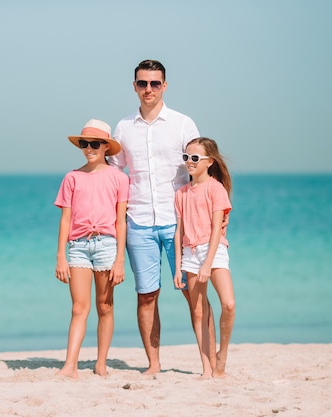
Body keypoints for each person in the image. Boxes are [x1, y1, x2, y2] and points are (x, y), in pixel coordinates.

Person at [107, 59, 216, 374]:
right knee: (146, 295)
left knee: (193, 294)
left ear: (164, 86)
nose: (148, 89)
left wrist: (215, 215)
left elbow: (201, 168)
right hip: (138, 222)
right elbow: (115, 172)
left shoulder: (183, 124)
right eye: (143, 83)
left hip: (179, 222)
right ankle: (153, 365)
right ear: (134, 86)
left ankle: (208, 365)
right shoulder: (124, 127)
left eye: (155, 83)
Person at [54, 119, 130, 378]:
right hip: (78, 247)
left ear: (106, 147)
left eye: (94, 143)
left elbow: (121, 221)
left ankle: (100, 363)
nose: (89, 148)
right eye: (84, 144)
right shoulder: (71, 178)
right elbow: (65, 219)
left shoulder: (120, 179)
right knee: (78, 307)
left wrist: (120, 260)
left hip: (107, 246)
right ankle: (70, 365)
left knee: (105, 306)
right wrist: (60, 257)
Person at [173, 137, 236, 378]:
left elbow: (215, 229)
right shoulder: (181, 193)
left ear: (209, 162)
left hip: (213, 250)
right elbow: (179, 231)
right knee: (198, 312)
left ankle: (223, 355)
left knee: (228, 304)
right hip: (189, 253)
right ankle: (207, 368)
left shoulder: (215, 188)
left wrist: (208, 263)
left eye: (195, 158)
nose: (189, 162)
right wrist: (178, 267)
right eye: (186, 157)